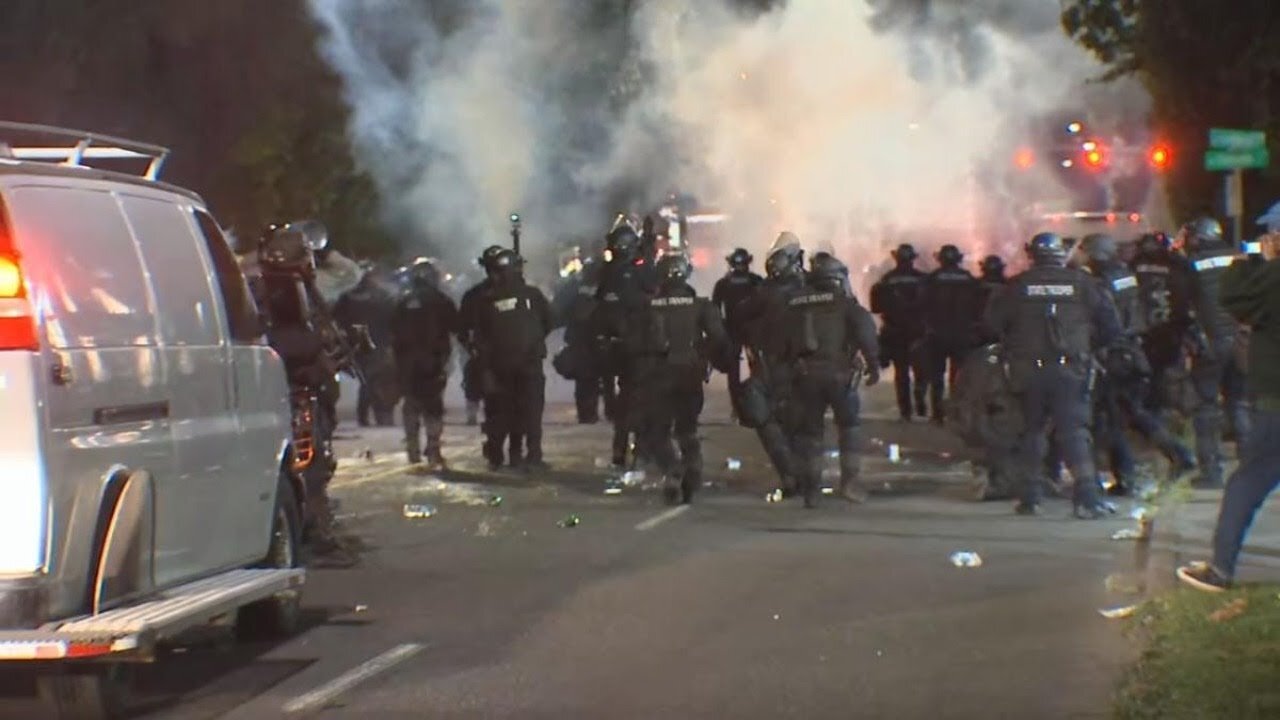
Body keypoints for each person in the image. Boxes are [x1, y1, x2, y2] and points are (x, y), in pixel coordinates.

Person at [985, 232, 1122, 518]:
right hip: (1071, 368)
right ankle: (1087, 497)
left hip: (1027, 370)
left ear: (1032, 254)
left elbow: (992, 324)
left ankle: (1030, 498)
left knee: (1033, 430)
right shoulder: (1084, 285)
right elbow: (1111, 327)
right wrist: (1087, 347)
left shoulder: (1016, 286)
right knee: (1074, 431)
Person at [1176, 212, 1280, 592]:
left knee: (1247, 484)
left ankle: (1220, 570)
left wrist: (1259, 263)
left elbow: (1233, 298)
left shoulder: (1272, 276)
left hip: (1276, 404)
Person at [1081, 234, 1195, 495]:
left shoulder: (1101, 282)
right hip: (1133, 351)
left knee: (1113, 417)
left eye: (1086, 252)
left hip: (1113, 355)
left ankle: (1128, 477)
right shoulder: (1124, 274)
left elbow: (1101, 321)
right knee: (1130, 412)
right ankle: (1179, 454)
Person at [778, 252, 880, 508]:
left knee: (810, 433)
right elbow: (867, 335)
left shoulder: (794, 302)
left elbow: (780, 342)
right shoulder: (844, 304)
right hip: (840, 376)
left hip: (805, 376)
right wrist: (874, 366)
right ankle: (849, 483)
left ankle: (812, 490)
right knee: (849, 427)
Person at [630, 253, 732, 504]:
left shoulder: (647, 307)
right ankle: (693, 473)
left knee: (658, 432)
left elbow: (631, 344)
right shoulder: (700, 305)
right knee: (687, 429)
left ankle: (673, 469)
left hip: (657, 377)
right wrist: (708, 358)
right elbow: (720, 339)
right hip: (689, 375)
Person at [733, 234, 808, 496]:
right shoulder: (807, 287)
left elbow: (740, 317)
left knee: (769, 421)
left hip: (777, 364)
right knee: (793, 422)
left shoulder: (767, 292)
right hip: (794, 365)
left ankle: (791, 475)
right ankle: (802, 475)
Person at [1181, 216, 1250, 487]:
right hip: (1242, 341)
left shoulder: (1192, 265)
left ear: (1199, 237)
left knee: (1206, 408)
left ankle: (1211, 472)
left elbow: (1182, 306)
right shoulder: (1240, 259)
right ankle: (1251, 468)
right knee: (1240, 403)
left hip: (1210, 343)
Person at [469, 249, 554, 471]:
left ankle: (500, 456)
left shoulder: (484, 299)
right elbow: (549, 321)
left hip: (500, 365)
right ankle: (531, 455)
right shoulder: (532, 295)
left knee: (502, 411)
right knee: (531, 411)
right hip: (528, 362)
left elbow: (477, 335)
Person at [594, 221, 657, 468]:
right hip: (626, 346)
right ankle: (635, 450)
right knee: (636, 400)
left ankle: (628, 450)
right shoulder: (610, 272)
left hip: (629, 345)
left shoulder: (621, 271)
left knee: (630, 401)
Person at [390, 259, 459, 470]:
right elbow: (456, 327)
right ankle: (433, 449)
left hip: (407, 363)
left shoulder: (402, 301)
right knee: (433, 406)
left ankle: (412, 448)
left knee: (411, 403)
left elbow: (392, 331)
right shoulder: (442, 300)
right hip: (433, 361)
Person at [1130, 231, 1196, 423]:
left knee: (1147, 371)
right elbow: (1184, 296)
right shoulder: (1176, 263)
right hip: (1169, 326)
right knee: (1167, 370)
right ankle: (1164, 412)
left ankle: (1147, 413)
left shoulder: (1134, 264)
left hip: (1143, 328)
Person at [460, 245, 517, 466]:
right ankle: (496, 451)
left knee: (515, 409)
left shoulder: (520, 292)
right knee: (495, 409)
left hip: (514, 360)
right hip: (490, 363)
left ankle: (513, 453)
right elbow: (463, 329)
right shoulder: (475, 296)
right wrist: (475, 352)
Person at [919, 244, 982, 423]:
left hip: (936, 334)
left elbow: (921, 306)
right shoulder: (969, 280)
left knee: (937, 376)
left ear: (940, 259)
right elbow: (978, 307)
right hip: (962, 334)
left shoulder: (931, 280)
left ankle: (937, 414)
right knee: (959, 376)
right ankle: (956, 413)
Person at [334, 268, 399, 427]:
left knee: (369, 380)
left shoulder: (348, 297)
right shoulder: (383, 296)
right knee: (375, 380)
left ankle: (368, 414)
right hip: (377, 344)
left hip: (357, 344)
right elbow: (393, 319)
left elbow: (336, 317)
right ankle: (379, 413)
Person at [870, 243, 928, 421]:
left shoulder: (886, 280)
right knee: (921, 370)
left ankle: (905, 411)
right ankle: (920, 400)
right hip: (918, 332)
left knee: (901, 372)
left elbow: (876, 307)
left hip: (895, 332)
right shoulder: (923, 279)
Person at [712, 248, 764, 412]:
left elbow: (715, 309)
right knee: (756, 366)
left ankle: (738, 405)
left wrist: (719, 330)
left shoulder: (723, 283)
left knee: (735, 368)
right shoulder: (756, 281)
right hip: (750, 329)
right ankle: (756, 401)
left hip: (733, 329)